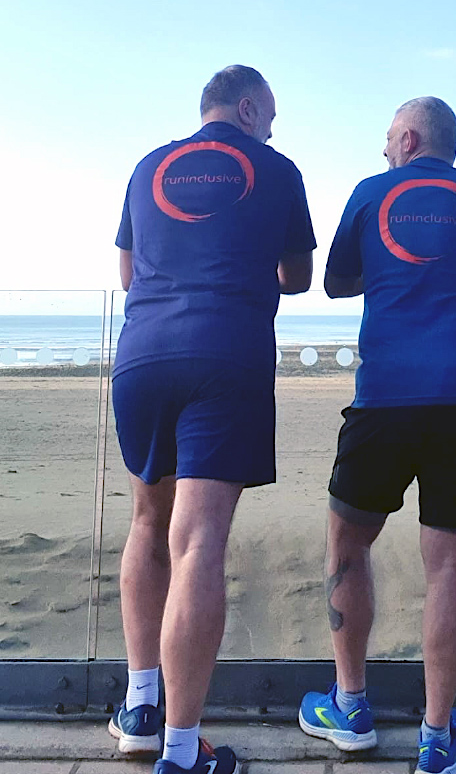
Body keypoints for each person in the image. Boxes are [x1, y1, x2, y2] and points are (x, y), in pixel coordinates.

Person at [108, 65, 316, 774]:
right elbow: (298, 276)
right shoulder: (276, 168)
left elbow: (129, 273)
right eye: (271, 116)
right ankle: (180, 748)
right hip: (225, 353)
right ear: (250, 106)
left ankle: (140, 706)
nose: (271, 129)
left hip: (142, 355)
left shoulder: (149, 165)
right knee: (197, 543)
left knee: (146, 523)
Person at [298, 97, 456, 774]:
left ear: (411, 137)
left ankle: (352, 705)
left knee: (347, 540)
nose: (384, 149)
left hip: (386, 394)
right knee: (450, 564)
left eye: (388, 138)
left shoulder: (370, 193)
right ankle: (436, 734)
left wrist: (388, 273)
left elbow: (333, 282)